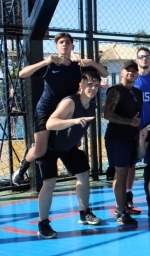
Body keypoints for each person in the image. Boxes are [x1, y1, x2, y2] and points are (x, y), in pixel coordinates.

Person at [12, 32, 109, 185]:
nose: (65, 45)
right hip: (46, 110)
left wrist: (92, 62)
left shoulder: (79, 67)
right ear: (56, 46)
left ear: (72, 46)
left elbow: (104, 74)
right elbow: (22, 74)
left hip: (68, 111)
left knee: (74, 145)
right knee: (40, 150)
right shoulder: (50, 65)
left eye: (68, 42)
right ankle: (23, 167)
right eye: (61, 42)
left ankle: (74, 173)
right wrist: (44, 62)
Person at [36, 71, 103, 238]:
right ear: (81, 85)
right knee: (49, 183)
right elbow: (51, 123)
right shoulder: (70, 102)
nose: (92, 88)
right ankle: (43, 224)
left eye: (95, 85)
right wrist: (72, 121)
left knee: (83, 175)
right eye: (89, 84)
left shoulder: (92, 104)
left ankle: (85, 213)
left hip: (68, 146)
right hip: (51, 146)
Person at [104, 60, 143, 225]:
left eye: (134, 71)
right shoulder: (115, 91)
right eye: (128, 70)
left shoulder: (137, 92)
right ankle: (120, 212)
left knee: (126, 173)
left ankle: (123, 206)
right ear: (121, 72)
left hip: (130, 139)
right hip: (117, 138)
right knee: (120, 175)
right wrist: (129, 122)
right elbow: (108, 114)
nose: (131, 73)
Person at [123, 47, 150, 209]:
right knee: (131, 162)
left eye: (147, 56)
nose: (144, 59)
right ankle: (128, 192)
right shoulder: (133, 79)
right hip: (134, 126)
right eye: (141, 57)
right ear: (137, 59)